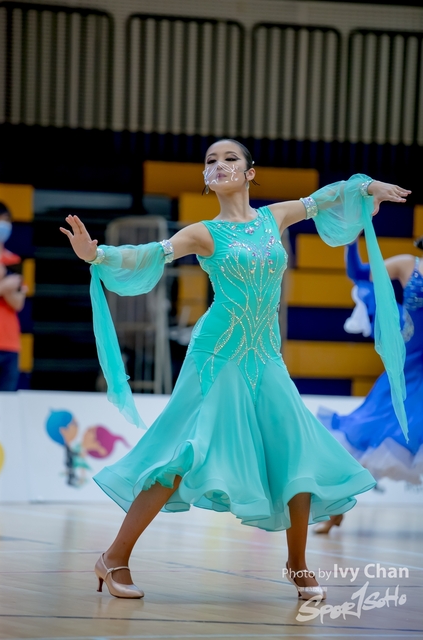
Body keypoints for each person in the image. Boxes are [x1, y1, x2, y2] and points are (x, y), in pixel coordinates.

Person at [61, 139, 411, 601]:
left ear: (250, 173)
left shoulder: (274, 217)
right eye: (211, 160)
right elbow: (147, 254)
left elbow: (324, 198)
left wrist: (366, 188)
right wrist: (98, 256)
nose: (219, 165)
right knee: (184, 452)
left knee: (295, 447)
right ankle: (114, 557)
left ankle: (298, 564)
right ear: (207, 179)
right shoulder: (202, 233)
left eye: (230, 158)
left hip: (265, 355)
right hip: (216, 355)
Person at [315, 235, 423, 533]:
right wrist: (351, 241)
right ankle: (336, 508)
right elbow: (360, 273)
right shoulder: (408, 264)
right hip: (407, 370)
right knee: (366, 434)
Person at [0, 202, 27, 391]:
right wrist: (4, 285)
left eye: (6, 220)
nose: (2, 225)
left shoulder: (14, 260)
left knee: (6, 402)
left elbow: (18, 303)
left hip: (9, 344)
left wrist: (3, 286)